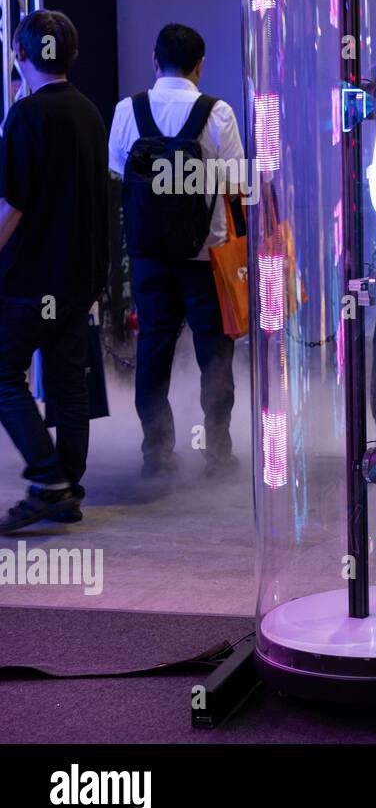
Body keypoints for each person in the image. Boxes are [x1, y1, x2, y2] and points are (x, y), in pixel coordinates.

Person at [107, 23, 241, 481]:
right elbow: (237, 183)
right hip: (206, 256)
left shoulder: (128, 110)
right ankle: (217, 451)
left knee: (153, 351)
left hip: (149, 257)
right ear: (200, 65)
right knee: (215, 354)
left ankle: (158, 453)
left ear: (153, 59)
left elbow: (118, 177)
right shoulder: (217, 113)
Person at [0, 11, 110, 532]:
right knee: (69, 383)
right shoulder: (89, 112)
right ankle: (67, 486)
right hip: (78, 274)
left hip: (32, 275)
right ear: (71, 55)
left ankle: (49, 481)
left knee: (2, 372)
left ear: (20, 55)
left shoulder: (24, 117)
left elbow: (13, 205)